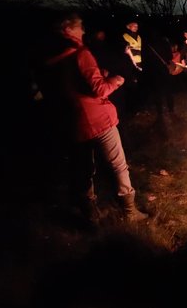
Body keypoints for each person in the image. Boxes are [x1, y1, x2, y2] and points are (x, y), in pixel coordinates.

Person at [39, 13, 148, 226]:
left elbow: (68, 85)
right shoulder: (81, 53)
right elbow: (99, 89)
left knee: (83, 168)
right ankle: (129, 210)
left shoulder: (52, 58)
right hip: (97, 119)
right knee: (118, 164)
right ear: (68, 30)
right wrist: (115, 80)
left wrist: (99, 73)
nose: (84, 31)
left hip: (71, 120)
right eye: (80, 28)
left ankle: (89, 213)